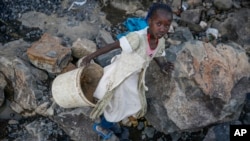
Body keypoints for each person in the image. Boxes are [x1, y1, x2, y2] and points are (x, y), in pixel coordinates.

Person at [81, 2, 174, 140]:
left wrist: (163, 65)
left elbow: (157, 55)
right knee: (114, 103)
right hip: (120, 75)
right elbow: (113, 45)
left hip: (133, 78)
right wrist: (90, 56)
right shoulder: (137, 38)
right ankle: (101, 126)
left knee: (125, 104)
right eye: (158, 24)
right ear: (149, 21)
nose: (162, 29)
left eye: (166, 25)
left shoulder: (160, 42)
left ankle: (109, 122)